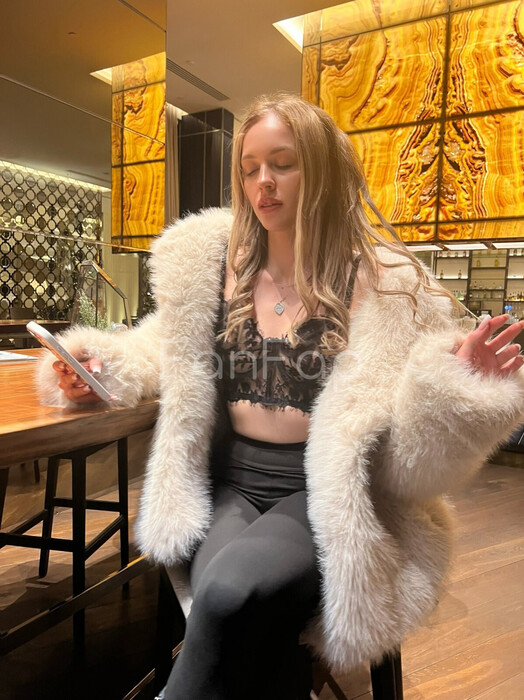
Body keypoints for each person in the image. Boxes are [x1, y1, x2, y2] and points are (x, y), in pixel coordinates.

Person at [37, 94, 524, 700]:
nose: (262, 182)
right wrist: (98, 367)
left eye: (282, 164)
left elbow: (413, 464)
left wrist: (454, 394)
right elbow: (159, 349)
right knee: (242, 615)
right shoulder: (216, 268)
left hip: (325, 495)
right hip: (229, 483)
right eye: (249, 168)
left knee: (225, 596)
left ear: (321, 169)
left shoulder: (392, 289)